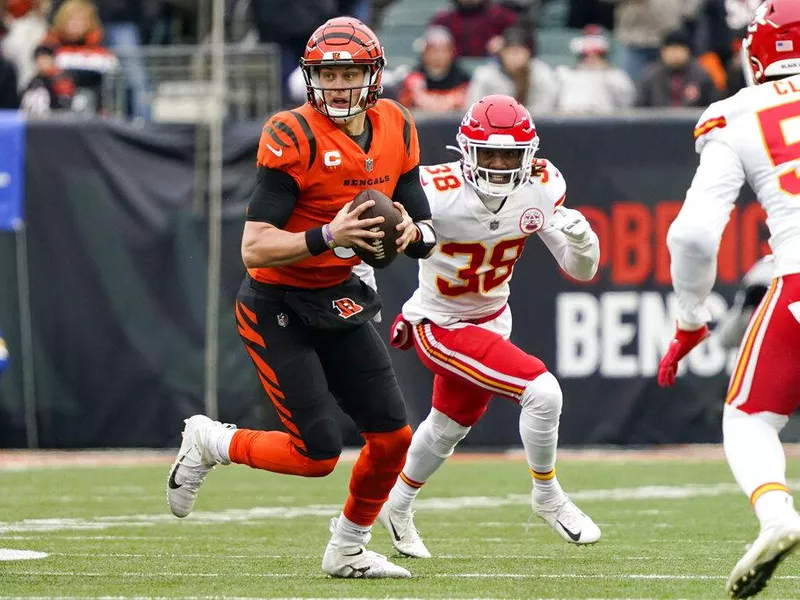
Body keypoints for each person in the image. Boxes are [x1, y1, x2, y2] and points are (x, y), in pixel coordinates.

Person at [166, 17, 437, 579]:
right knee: (315, 455)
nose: (338, 85)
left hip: (340, 295)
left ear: (374, 75)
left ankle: (347, 549)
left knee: (392, 439)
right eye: (328, 73)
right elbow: (255, 248)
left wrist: (415, 234)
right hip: (278, 304)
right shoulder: (294, 134)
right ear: (311, 77)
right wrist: (328, 236)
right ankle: (212, 440)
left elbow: (418, 215)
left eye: (350, 72)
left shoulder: (397, 125)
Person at [378, 94, 602, 558]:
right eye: (490, 153)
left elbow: (581, 270)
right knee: (543, 392)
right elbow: (405, 234)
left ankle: (395, 505)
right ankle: (547, 494)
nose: (500, 165)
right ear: (466, 151)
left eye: (510, 155)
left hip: (491, 321)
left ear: (530, 155)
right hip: (439, 323)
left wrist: (583, 239)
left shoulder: (542, 186)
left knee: (447, 425)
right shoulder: (436, 189)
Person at [657, 2, 800, 597]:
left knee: (749, 418)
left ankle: (777, 516)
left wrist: (691, 315)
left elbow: (691, 234)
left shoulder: (738, 114)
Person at [466, 27, 558, 115]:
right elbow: (473, 108)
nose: (514, 57)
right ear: (501, 53)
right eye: (509, 51)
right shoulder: (485, 74)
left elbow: (547, 109)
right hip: (493, 126)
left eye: (518, 51)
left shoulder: (542, 73)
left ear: (528, 53)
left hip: (535, 126)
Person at [636, 29, 719, 108]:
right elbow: (640, 108)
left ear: (688, 51)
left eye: (679, 49)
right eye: (671, 50)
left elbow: (713, 106)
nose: (675, 54)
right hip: (657, 122)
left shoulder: (701, 75)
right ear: (662, 52)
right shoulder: (651, 76)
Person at [397, 26, 470, 113]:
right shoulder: (414, 76)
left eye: (443, 51)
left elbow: (464, 99)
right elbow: (410, 98)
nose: (438, 55)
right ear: (424, 53)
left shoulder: (463, 77)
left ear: (451, 52)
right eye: (434, 50)